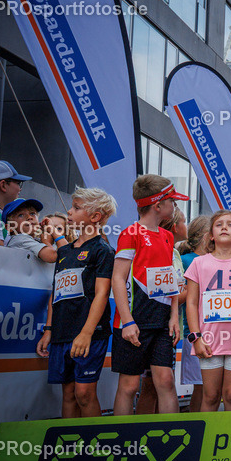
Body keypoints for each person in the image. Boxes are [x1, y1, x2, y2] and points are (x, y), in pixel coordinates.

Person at [35, 187, 117, 418]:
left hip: (90, 332)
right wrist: (49, 330)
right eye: (71, 207)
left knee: (84, 393)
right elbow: (56, 292)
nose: (69, 212)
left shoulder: (103, 250)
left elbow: (102, 294)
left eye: (77, 208)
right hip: (61, 332)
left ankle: (94, 448)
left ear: (95, 217)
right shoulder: (65, 252)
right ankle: (69, 448)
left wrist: (86, 333)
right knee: (68, 393)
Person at [110, 175, 187, 416]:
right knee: (130, 384)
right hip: (134, 321)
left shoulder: (167, 236)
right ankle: (122, 440)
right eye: (172, 201)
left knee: (165, 380)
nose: (174, 206)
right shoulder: (130, 233)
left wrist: (174, 316)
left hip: (161, 321)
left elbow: (170, 281)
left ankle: (171, 437)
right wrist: (127, 321)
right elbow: (117, 279)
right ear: (158, 205)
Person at [184, 210, 231, 412]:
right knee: (210, 396)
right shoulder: (198, 263)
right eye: (219, 225)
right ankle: (207, 440)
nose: (224, 227)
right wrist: (196, 338)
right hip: (208, 341)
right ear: (210, 235)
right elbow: (191, 303)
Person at [177, 215, 210, 412]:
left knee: (212, 388)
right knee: (203, 387)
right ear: (207, 236)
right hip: (195, 332)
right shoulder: (185, 260)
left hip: (220, 332)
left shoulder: (220, 260)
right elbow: (176, 296)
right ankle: (198, 425)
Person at [3, 198, 61, 263]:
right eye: (21, 215)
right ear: (10, 227)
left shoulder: (34, 240)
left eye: (32, 213)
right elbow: (54, 256)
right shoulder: (20, 239)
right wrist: (52, 233)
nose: (29, 217)